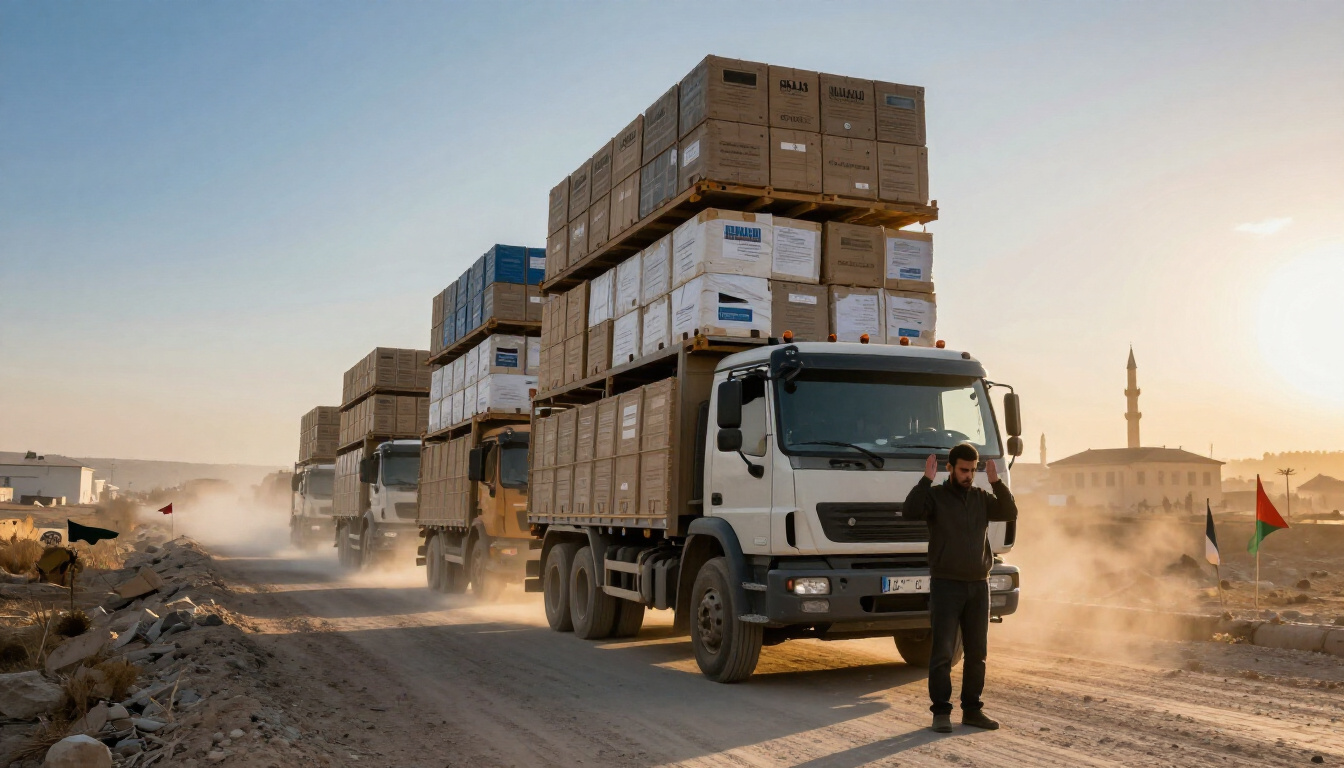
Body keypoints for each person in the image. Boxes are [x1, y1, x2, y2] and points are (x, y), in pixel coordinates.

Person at [902, 442, 1018, 733]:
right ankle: (940, 712)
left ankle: (972, 710)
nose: (968, 475)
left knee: (977, 653)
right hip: (946, 586)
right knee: (942, 652)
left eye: (973, 470)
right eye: (963, 470)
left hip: (979, 586)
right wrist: (925, 480)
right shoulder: (936, 497)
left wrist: (995, 481)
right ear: (950, 468)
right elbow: (910, 511)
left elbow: (1009, 510)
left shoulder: (981, 497)